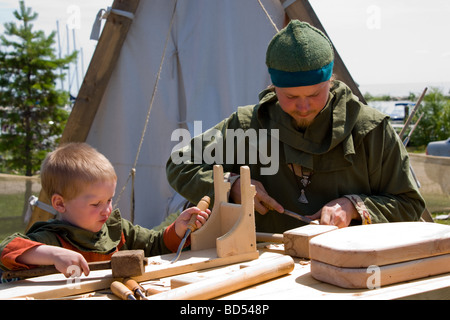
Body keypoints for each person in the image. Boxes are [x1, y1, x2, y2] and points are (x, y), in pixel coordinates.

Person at [166, 20, 425, 233]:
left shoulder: (370, 131)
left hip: (349, 273)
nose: (303, 107)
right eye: (290, 97)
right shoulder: (247, 127)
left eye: (314, 95)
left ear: (330, 81)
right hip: (262, 270)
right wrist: (231, 184)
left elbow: (408, 203)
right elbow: (179, 163)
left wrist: (353, 206)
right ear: (273, 86)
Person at [0, 143, 210, 278]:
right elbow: (6, 250)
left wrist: (179, 229)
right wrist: (53, 254)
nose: (107, 210)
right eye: (96, 204)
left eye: (109, 200)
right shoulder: (53, 239)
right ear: (60, 204)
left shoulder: (116, 230)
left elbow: (155, 244)